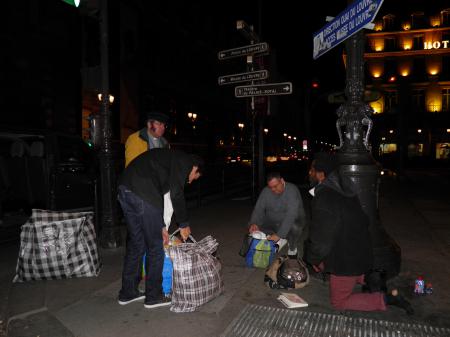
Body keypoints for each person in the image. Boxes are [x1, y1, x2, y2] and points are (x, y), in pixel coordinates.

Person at [305, 152, 413, 314]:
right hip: (362, 253)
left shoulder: (325, 197)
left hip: (345, 260)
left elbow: (321, 241)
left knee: (339, 302)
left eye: (312, 170)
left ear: (321, 173)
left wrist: (312, 258)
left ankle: (385, 299)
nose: (310, 173)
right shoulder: (346, 190)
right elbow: (365, 221)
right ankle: (372, 280)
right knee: (323, 256)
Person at [117, 148, 204, 309]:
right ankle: (153, 296)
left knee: (137, 244)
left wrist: (162, 227)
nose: (190, 181)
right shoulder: (183, 160)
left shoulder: (168, 162)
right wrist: (184, 223)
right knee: (155, 247)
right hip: (142, 192)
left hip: (125, 189)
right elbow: (176, 194)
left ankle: (127, 293)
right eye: (193, 177)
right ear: (195, 167)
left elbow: (163, 199)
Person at [248, 172, 307, 258]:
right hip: (274, 221)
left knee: (295, 228)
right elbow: (258, 209)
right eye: (270, 187)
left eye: (275, 186)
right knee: (255, 228)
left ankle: (292, 247)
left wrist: (280, 234)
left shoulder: (292, 190)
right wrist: (254, 223)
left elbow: (291, 215)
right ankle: (278, 238)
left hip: (293, 220)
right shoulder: (266, 191)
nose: (273, 190)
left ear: (282, 181)